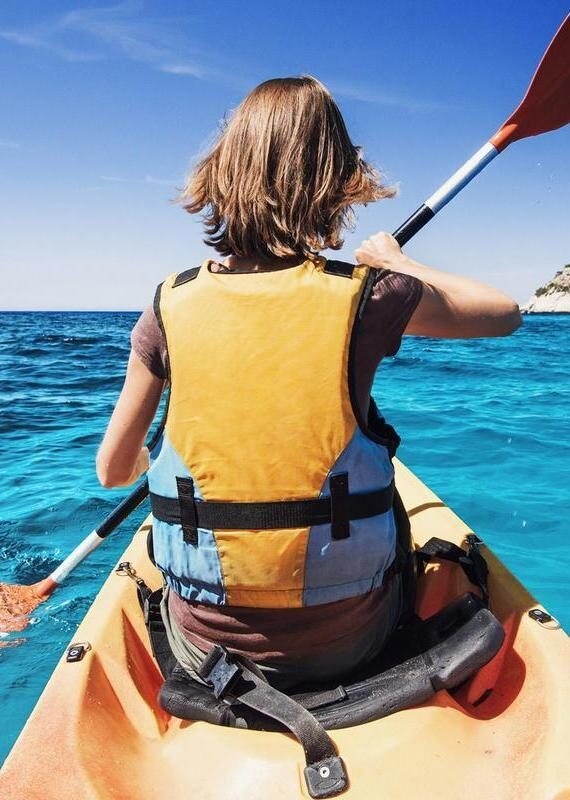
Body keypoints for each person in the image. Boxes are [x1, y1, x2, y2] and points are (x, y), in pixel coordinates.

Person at [96, 76, 521, 692]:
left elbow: (113, 471)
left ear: (223, 173)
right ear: (337, 179)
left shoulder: (167, 305)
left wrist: (152, 465)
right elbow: (505, 313)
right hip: (353, 643)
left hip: (205, 650)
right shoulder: (372, 297)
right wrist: (398, 264)